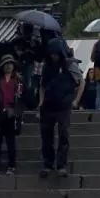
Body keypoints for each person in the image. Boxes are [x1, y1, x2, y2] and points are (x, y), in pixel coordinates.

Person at [38, 36, 83, 177]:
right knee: (46, 136)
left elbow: (81, 81)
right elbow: (42, 86)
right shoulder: (47, 67)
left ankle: (62, 164)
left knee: (63, 134)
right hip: (48, 105)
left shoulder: (69, 65)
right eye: (51, 54)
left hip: (64, 104)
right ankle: (48, 164)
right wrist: (40, 102)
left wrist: (76, 100)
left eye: (56, 54)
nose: (54, 56)